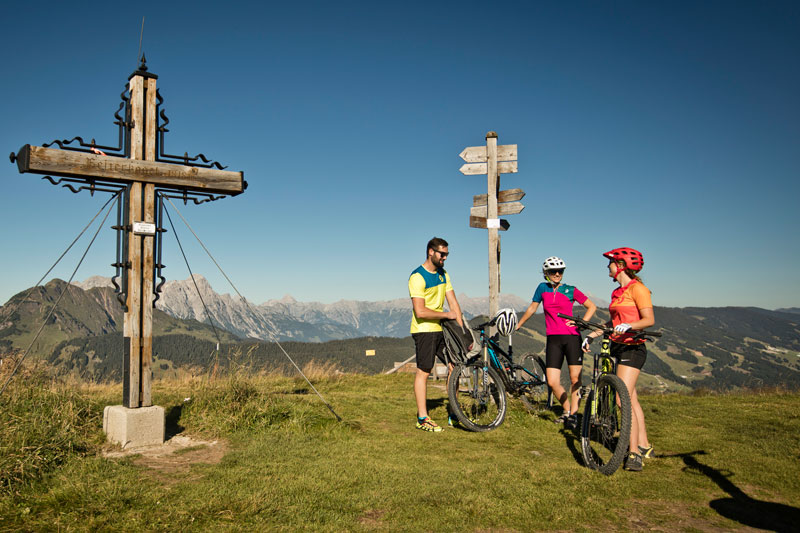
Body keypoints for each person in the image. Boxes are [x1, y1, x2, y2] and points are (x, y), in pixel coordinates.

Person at [582, 247, 655, 472]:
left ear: (621, 265)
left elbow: (649, 319)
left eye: (611, 263)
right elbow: (613, 323)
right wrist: (591, 336)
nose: (608, 267)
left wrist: (630, 326)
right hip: (617, 345)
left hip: (633, 348)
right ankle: (644, 445)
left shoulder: (638, 289)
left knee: (622, 399)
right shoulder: (617, 292)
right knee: (631, 398)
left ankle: (633, 454)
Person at [516, 256, 596, 429]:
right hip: (553, 339)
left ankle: (574, 415)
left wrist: (582, 323)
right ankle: (566, 410)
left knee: (575, 379)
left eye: (560, 271)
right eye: (553, 271)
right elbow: (532, 307)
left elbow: (592, 306)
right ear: (546, 273)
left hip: (572, 338)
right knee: (552, 381)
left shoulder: (571, 290)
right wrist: (519, 324)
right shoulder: (542, 288)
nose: (557, 274)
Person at [408, 237, 464, 432]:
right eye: (442, 254)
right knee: (424, 370)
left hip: (442, 329)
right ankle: (422, 418)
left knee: (454, 366)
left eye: (447, 254)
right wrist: (447, 314)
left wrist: (462, 329)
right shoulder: (417, 277)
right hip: (424, 330)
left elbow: (453, 302)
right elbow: (420, 311)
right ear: (431, 252)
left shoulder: (443, 274)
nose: (445, 258)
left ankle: (454, 412)